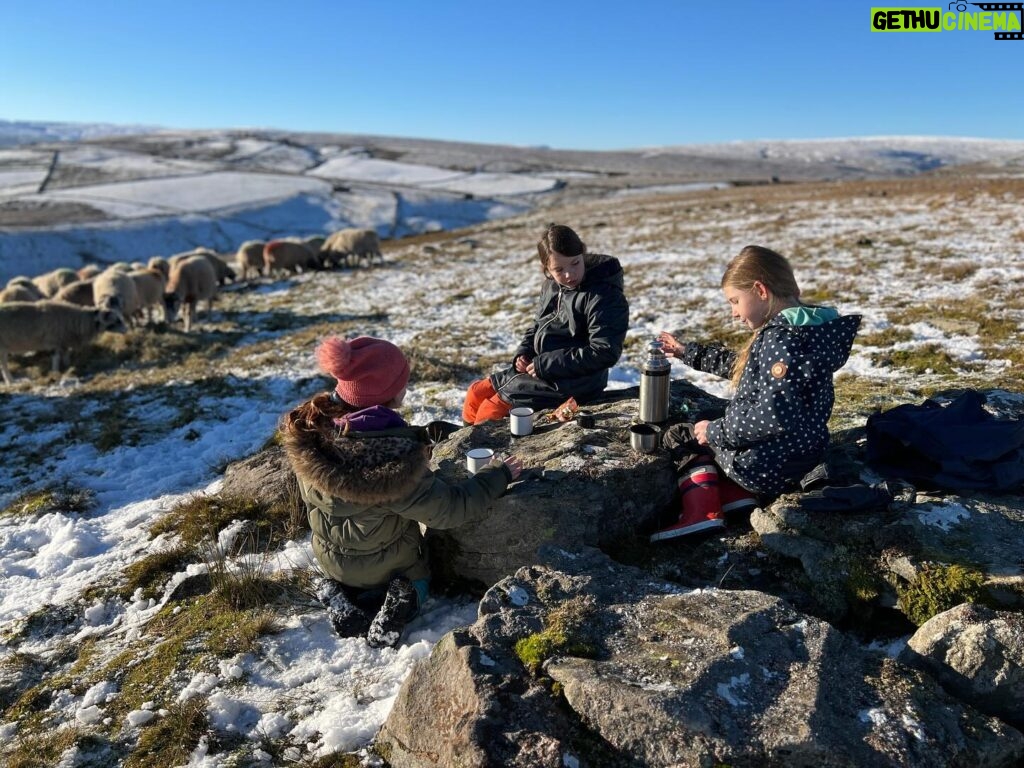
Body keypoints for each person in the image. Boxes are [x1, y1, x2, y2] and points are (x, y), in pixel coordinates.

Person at [281, 335, 523, 647]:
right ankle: (403, 601)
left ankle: (338, 594)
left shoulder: (312, 433)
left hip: (335, 562)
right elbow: (450, 510)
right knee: (417, 580)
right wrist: (498, 475)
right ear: (391, 393)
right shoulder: (393, 463)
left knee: (347, 565)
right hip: (391, 569)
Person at [650, 245, 861, 541]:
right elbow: (743, 367)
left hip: (765, 465)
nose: (734, 313)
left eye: (735, 301)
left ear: (760, 290)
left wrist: (715, 433)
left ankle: (702, 513)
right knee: (710, 417)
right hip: (804, 452)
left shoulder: (780, 339)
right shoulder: (809, 329)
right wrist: (688, 353)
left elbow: (772, 416)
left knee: (682, 434)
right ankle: (737, 496)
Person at [462, 223, 629, 424]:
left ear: (583, 253)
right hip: (544, 371)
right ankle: (465, 445)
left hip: (577, 381)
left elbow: (605, 351)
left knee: (492, 408)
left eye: (575, 263)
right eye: (559, 269)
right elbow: (538, 325)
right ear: (547, 269)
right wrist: (523, 353)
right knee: (475, 393)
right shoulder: (552, 286)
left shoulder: (604, 295)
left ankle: (482, 451)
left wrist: (545, 364)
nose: (569, 274)